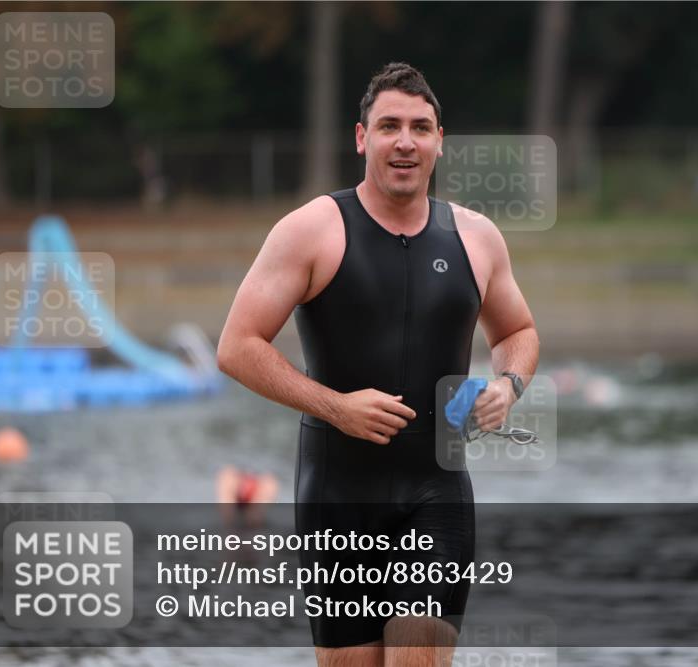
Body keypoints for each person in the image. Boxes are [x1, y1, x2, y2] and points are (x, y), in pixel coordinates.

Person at [217, 62, 539, 666]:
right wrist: (333, 406)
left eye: (421, 127)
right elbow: (237, 346)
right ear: (361, 137)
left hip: (436, 493)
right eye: (388, 125)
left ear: (440, 140)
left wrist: (508, 383)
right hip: (337, 496)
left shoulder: (477, 237)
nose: (405, 141)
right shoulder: (311, 230)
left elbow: (518, 330)